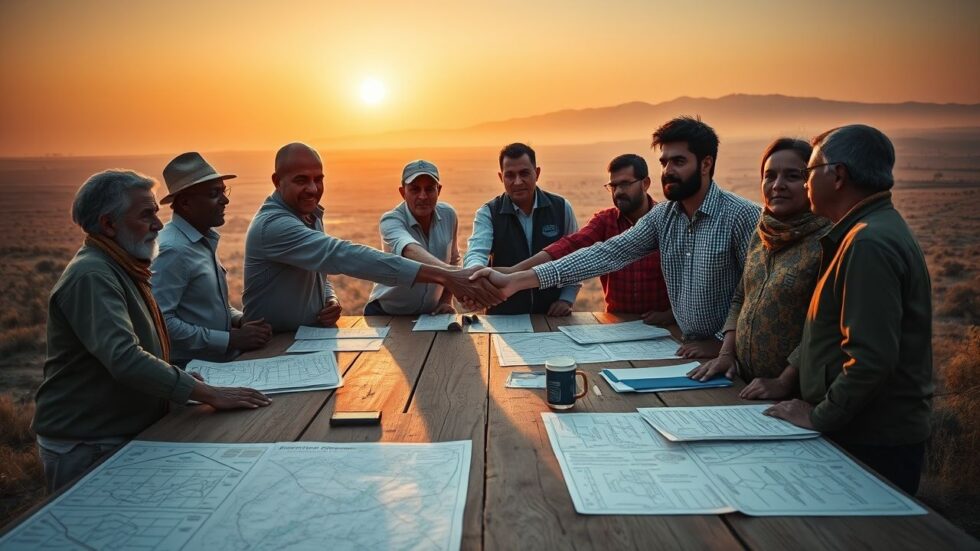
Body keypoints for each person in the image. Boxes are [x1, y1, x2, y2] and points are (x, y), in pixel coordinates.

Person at [33, 170, 271, 492]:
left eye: (156, 215)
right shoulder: (92, 275)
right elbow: (124, 357)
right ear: (108, 224)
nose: (159, 225)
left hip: (114, 433)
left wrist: (176, 375)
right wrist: (209, 393)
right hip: (88, 442)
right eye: (146, 216)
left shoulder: (124, 265)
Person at [473, 117, 759, 358]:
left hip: (733, 356)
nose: (668, 171)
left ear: (706, 164)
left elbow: (756, 293)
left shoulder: (742, 216)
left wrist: (724, 345)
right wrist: (516, 280)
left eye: (679, 161)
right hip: (682, 346)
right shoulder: (665, 217)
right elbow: (603, 254)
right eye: (664, 162)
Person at [764, 125, 933, 495]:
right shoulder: (866, 231)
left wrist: (820, 416)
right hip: (865, 431)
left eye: (808, 172)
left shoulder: (868, 242)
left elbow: (871, 358)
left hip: (873, 440)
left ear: (837, 175)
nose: (806, 183)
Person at [243, 143, 502, 331]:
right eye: (302, 180)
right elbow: (340, 255)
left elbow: (319, 269)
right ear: (277, 181)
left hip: (308, 336)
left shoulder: (307, 214)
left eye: (318, 179)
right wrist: (448, 276)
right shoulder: (275, 225)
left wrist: (328, 298)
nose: (312, 189)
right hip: (273, 342)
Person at [687, 139, 829, 392]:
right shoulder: (762, 233)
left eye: (792, 176)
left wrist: (784, 382)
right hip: (743, 381)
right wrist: (726, 355)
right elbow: (742, 296)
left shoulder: (827, 241)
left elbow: (824, 326)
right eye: (769, 176)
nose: (778, 186)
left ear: (813, 181)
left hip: (797, 392)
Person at [496, 154, 670, 320]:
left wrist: (669, 316)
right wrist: (514, 272)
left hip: (663, 326)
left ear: (645, 183)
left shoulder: (667, 221)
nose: (618, 192)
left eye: (625, 184)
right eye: (613, 186)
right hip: (616, 323)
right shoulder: (605, 220)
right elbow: (569, 246)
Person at [151, 152, 271, 366]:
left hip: (219, 364)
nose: (225, 200)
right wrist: (230, 339)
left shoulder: (200, 239)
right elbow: (162, 322)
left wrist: (240, 319)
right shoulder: (173, 250)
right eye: (214, 193)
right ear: (186, 203)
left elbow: (203, 308)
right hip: (194, 374)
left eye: (224, 191)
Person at [463, 143, 581, 316]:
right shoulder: (488, 212)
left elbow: (575, 258)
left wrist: (566, 298)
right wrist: (476, 273)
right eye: (510, 175)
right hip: (504, 315)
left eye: (524, 173)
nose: (518, 182)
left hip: (550, 314)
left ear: (537, 173)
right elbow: (476, 251)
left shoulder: (561, 207)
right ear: (500, 177)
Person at [365, 160, 460, 316]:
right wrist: (453, 274)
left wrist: (445, 300)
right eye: (415, 189)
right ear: (403, 192)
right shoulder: (391, 220)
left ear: (439, 190)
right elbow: (409, 249)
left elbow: (454, 259)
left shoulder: (449, 214)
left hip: (430, 315)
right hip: (387, 313)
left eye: (429, 189)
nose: (423, 196)